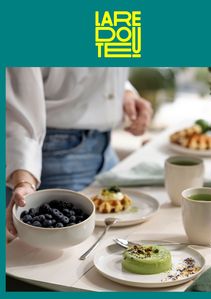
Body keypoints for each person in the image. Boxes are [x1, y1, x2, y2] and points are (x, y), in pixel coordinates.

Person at [6, 67, 152, 241]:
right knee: (56, 260)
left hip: (106, 150)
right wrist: (24, 180)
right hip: (53, 158)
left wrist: (123, 91)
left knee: (117, 240)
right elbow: (17, 105)